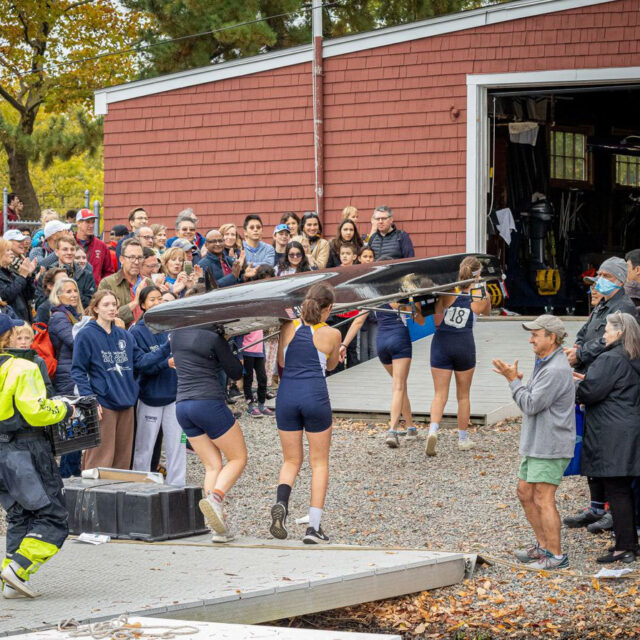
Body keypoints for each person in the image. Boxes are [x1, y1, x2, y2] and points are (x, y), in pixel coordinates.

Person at [493, 315, 575, 570]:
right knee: (525, 492)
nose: (531, 339)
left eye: (536, 335)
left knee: (543, 497)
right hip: (538, 442)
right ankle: (542, 546)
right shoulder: (544, 362)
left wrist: (513, 381)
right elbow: (532, 398)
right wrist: (519, 382)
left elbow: (529, 404)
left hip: (550, 443)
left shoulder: (555, 369)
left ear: (551, 337)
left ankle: (556, 555)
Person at [563, 256, 637, 533]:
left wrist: (581, 354)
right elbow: (586, 333)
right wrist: (576, 349)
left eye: (605, 275)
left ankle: (613, 511)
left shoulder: (625, 308)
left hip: (609, 381)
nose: (599, 281)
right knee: (592, 447)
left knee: (609, 454)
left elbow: (608, 340)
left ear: (619, 280)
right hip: (591, 374)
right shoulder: (602, 305)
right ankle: (596, 505)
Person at [0, 314, 72, 599]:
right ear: (8, 335)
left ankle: (9, 580)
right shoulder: (23, 367)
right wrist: (65, 409)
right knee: (54, 516)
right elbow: (36, 411)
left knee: (18, 515)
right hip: (27, 449)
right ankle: (18, 568)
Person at [271, 283, 341, 543]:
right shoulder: (332, 334)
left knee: (291, 460)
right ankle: (313, 528)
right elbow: (331, 365)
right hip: (314, 395)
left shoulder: (288, 327)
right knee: (319, 463)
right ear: (329, 308)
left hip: (287, 396)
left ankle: (282, 504)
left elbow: (281, 361)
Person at [71, 290, 170, 470]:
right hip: (103, 403)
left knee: (122, 458)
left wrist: (167, 347)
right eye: (106, 305)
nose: (111, 309)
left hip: (126, 402)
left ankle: (118, 497)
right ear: (95, 308)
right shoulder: (86, 335)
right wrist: (89, 400)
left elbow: (141, 361)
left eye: (114, 305)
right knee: (100, 458)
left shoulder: (125, 335)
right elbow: (78, 370)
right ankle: (94, 495)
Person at [171, 322, 247, 543]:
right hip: (208, 402)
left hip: (182, 406)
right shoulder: (213, 338)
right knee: (238, 458)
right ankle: (216, 498)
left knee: (212, 465)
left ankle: (219, 528)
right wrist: (226, 344)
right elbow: (235, 371)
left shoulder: (176, 334)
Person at [574, 311, 640, 564]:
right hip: (630, 427)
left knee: (617, 489)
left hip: (612, 432)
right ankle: (630, 542)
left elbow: (591, 393)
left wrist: (580, 385)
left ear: (619, 332)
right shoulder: (633, 355)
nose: (603, 334)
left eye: (607, 329)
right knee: (627, 490)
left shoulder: (610, 358)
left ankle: (624, 546)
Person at [426, 256, 491, 455]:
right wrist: (480, 286)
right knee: (463, 395)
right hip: (464, 343)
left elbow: (436, 308)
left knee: (439, 394)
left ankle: (433, 430)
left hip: (442, 343)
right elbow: (485, 312)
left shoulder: (449, 290)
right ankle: (463, 438)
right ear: (477, 273)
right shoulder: (479, 293)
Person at [341, 297, 424, 448]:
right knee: (398, 386)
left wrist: (344, 344)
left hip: (381, 342)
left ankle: (411, 427)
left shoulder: (375, 296)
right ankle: (392, 430)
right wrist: (416, 305)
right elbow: (420, 321)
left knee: (400, 385)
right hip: (399, 339)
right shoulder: (404, 296)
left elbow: (358, 321)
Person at [130, 286, 186, 486]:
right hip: (150, 397)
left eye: (160, 298)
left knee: (178, 444)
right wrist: (166, 361)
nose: (157, 302)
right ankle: (140, 484)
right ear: (143, 304)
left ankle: (177, 484)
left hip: (174, 396)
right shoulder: (136, 331)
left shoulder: (171, 326)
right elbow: (142, 364)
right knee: (144, 446)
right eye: (152, 299)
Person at [48, 278, 84, 478]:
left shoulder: (73, 315)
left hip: (71, 372)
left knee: (78, 426)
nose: (73, 294)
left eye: (75, 290)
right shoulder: (60, 317)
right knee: (72, 425)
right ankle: (66, 474)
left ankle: (73, 471)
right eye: (68, 291)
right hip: (66, 375)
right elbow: (75, 341)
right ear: (58, 295)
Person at [99, 238, 152, 329]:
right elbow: (104, 317)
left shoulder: (148, 282)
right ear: (121, 259)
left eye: (139, 258)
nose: (136, 262)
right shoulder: (107, 283)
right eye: (131, 257)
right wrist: (135, 302)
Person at [34, 235, 95, 310]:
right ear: (56, 252)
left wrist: (70, 287)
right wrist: (58, 289)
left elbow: (91, 302)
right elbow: (39, 304)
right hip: (52, 318)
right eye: (65, 249)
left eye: (72, 249)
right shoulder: (46, 275)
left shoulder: (86, 275)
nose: (69, 252)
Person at [8, 322, 54, 397]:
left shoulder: (38, 361)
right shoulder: (8, 360)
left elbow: (47, 388)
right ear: (12, 340)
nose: (23, 342)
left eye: (27, 338)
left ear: (32, 340)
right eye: (19, 338)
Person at [74, 209, 114, 286]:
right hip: (73, 291)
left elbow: (109, 272)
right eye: (88, 222)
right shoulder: (69, 244)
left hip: (95, 293)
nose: (91, 225)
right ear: (78, 223)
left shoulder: (101, 246)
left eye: (93, 222)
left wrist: (101, 287)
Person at [0, 237, 36, 322]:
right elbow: (5, 296)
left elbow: (29, 295)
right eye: (8, 250)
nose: (11, 253)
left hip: (23, 320)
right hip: (10, 323)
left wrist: (29, 275)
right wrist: (22, 276)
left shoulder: (11, 273)